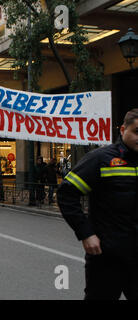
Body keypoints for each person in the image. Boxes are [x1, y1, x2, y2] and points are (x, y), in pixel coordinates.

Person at [57, 108, 138, 300]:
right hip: (107, 256)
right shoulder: (101, 159)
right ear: (122, 129)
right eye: (136, 132)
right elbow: (67, 193)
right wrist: (86, 234)